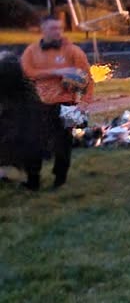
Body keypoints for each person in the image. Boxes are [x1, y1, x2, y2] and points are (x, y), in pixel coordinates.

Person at [19, 15, 94, 190]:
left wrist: (84, 102)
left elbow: (87, 79)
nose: (57, 32)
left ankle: (59, 180)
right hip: (38, 104)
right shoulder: (32, 51)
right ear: (43, 29)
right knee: (33, 141)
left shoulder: (73, 51)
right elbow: (28, 72)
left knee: (62, 144)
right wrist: (57, 71)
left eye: (59, 28)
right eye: (53, 28)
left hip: (65, 104)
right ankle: (33, 180)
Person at [1, 54, 50, 190]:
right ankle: (32, 180)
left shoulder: (6, 83)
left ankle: (21, 176)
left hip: (17, 122)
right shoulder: (26, 85)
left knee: (11, 148)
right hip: (32, 121)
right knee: (31, 151)